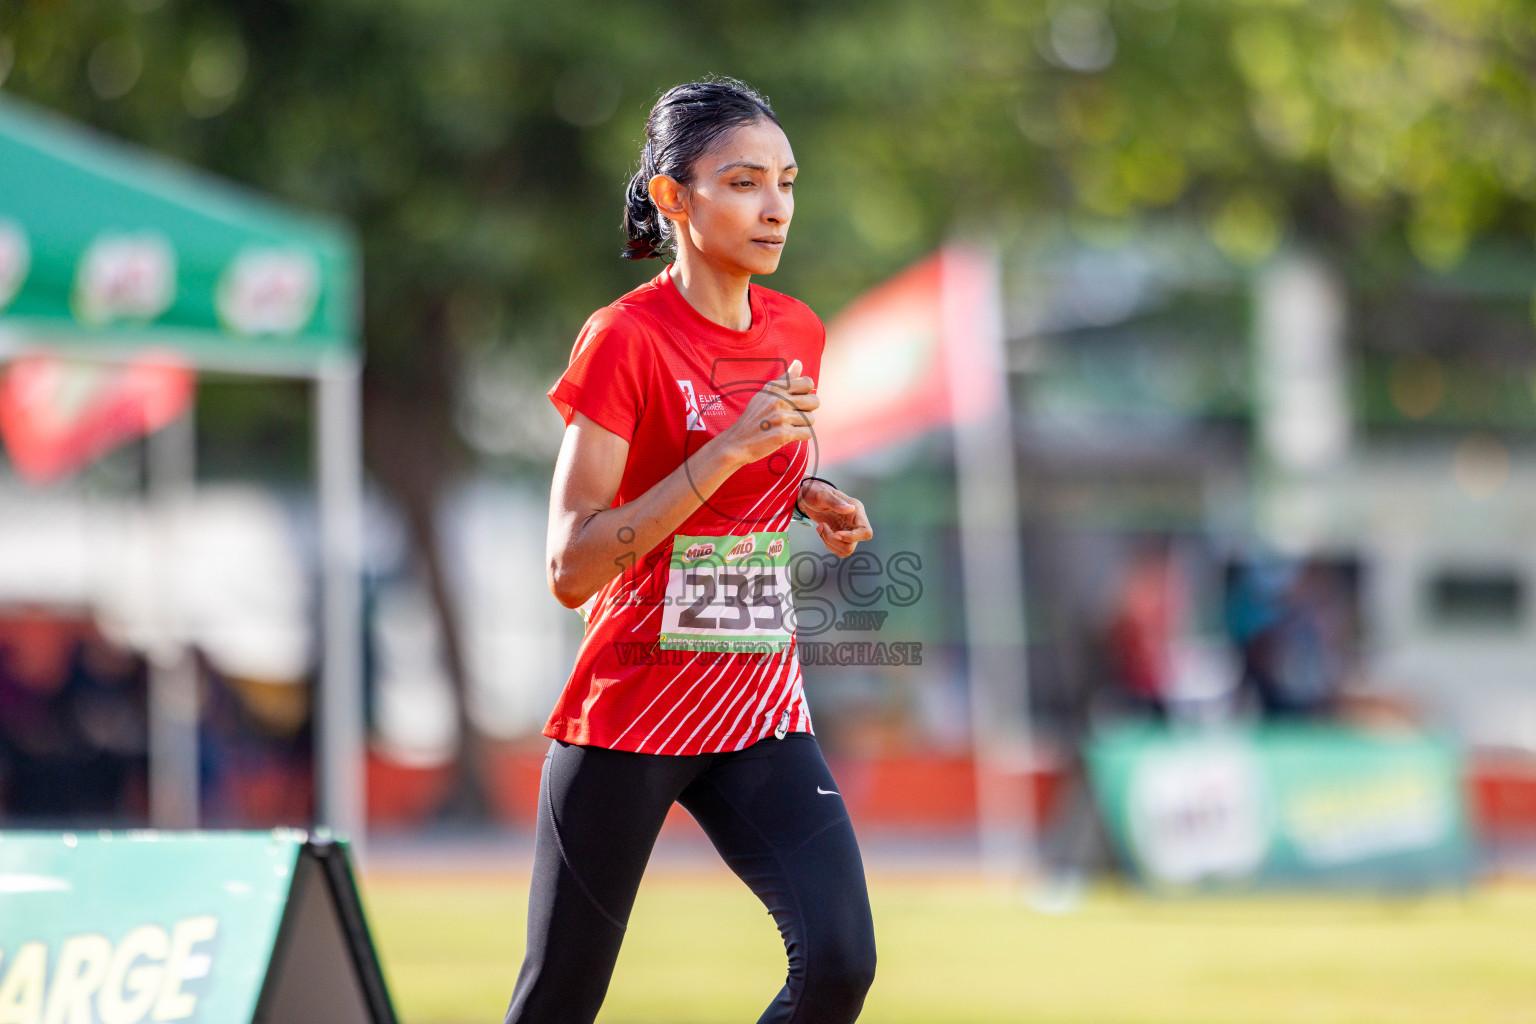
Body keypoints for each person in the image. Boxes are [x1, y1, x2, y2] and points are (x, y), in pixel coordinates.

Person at [504, 78, 878, 1024]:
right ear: (673, 198)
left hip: (759, 699)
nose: (776, 205)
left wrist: (805, 496)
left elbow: (749, 477)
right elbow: (571, 565)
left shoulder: (798, 329)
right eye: (744, 181)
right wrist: (725, 454)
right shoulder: (623, 340)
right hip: (631, 706)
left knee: (839, 965)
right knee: (558, 1002)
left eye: (787, 181)